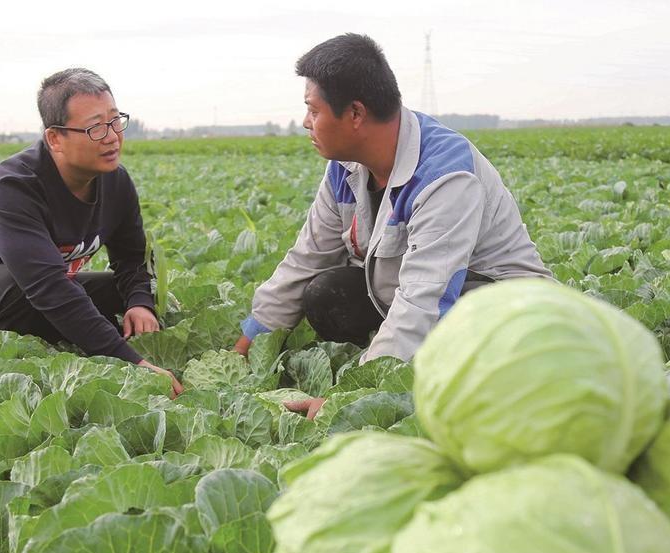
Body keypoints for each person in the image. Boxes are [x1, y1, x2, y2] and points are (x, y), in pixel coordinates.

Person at [234, 34, 552, 418]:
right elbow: (307, 258)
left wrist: (354, 398)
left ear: (355, 114)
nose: (305, 123)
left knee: (472, 329)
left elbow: (426, 300)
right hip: (413, 294)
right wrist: (249, 339)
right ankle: (396, 358)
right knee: (325, 292)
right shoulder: (345, 167)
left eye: (313, 110)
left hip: (501, 307)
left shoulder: (445, 175)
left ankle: (418, 376)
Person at [0, 68, 182, 397]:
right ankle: (63, 348)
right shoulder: (11, 189)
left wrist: (140, 303)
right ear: (55, 138)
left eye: (114, 121)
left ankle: (67, 341)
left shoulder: (116, 182)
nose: (111, 136)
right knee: (35, 291)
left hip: (27, 289)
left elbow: (132, 258)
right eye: (95, 127)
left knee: (116, 293)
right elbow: (50, 289)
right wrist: (133, 364)